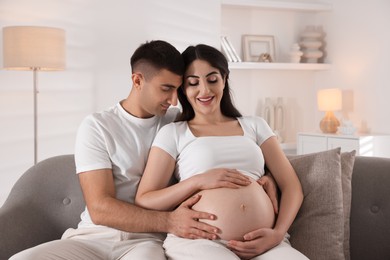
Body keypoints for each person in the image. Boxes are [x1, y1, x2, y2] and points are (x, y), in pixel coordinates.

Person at [10, 40, 278, 260]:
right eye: (166, 89)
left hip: (147, 242)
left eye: (177, 89)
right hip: (94, 237)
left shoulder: (177, 122)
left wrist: (268, 179)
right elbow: (101, 208)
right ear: (137, 81)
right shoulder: (98, 126)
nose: (174, 99)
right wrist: (171, 222)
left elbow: (220, 145)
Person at [135, 44, 308, 260]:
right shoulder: (173, 133)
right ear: (183, 90)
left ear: (224, 79)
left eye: (212, 79)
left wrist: (277, 234)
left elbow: (292, 187)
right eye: (193, 83)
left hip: (266, 244)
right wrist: (198, 181)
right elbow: (145, 199)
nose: (204, 90)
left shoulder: (255, 125)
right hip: (201, 242)